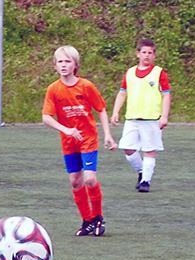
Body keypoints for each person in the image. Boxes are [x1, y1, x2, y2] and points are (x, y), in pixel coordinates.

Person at [42, 45, 117, 237]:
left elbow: (100, 109)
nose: (64, 65)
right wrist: (65, 129)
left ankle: (98, 217)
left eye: (68, 61)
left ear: (75, 65)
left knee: (90, 178)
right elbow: (46, 117)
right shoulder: (53, 89)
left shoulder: (86, 86)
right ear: (55, 66)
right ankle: (87, 221)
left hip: (88, 139)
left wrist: (108, 135)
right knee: (75, 182)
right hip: (69, 142)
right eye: (60, 61)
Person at [111, 39, 172, 193]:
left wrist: (164, 116)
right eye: (144, 52)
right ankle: (141, 171)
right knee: (127, 148)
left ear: (154, 55)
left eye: (150, 53)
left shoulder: (159, 73)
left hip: (151, 119)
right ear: (138, 54)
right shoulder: (130, 72)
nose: (146, 55)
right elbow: (122, 92)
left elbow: (166, 95)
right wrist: (116, 111)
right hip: (132, 118)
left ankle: (146, 181)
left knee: (149, 150)